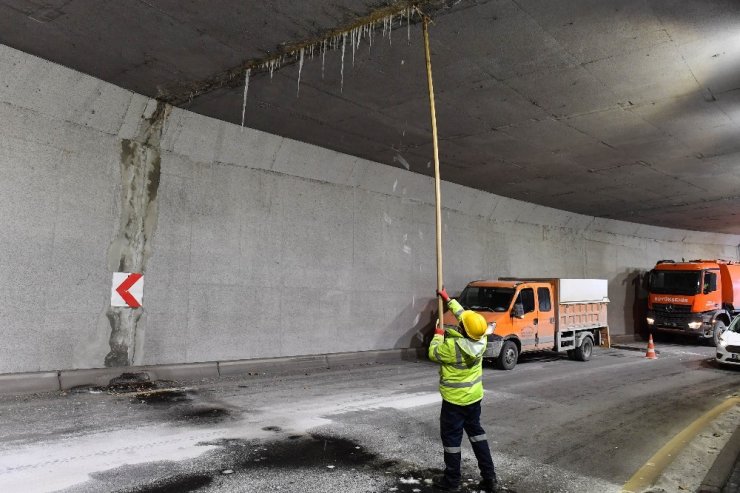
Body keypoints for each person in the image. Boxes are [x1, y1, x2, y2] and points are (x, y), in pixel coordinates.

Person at [429, 287, 502, 493]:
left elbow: (433, 353)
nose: (460, 323)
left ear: (462, 330)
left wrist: (438, 335)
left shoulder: (452, 348)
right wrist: (448, 300)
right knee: (478, 436)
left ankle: (451, 481)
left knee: (452, 442)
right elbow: (466, 318)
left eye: (460, 325)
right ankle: (490, 478)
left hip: (453, 402)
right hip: (474, 400)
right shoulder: (481, 338)